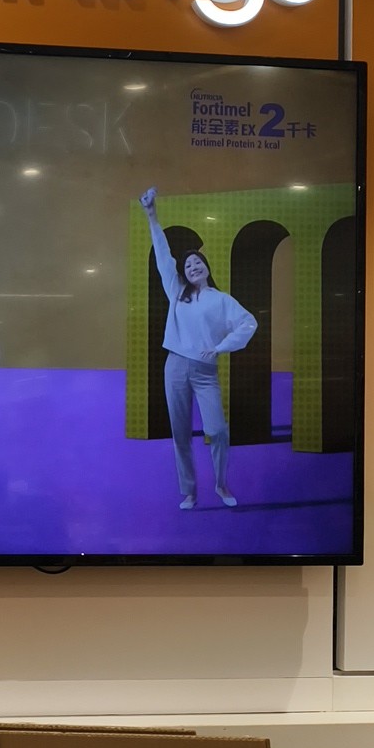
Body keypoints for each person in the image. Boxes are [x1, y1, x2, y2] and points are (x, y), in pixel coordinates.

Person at [139, 186, 257, 510]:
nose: (193, 267)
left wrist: (221, 347)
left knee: (217, 430)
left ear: (206, 267)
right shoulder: (177, 291)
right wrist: (152, 216)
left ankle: (220, 484)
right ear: (184, 272)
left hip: (205, 371)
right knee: (180, 432)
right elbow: (163, 256)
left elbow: (248, 323)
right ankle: (189, 491)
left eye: (197, 262)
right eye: (188, 265)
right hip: (175, 365)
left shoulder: (222, 300)